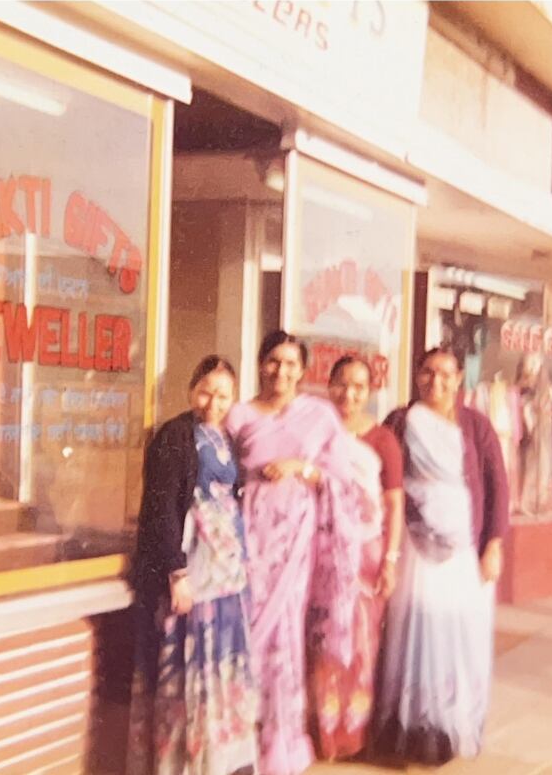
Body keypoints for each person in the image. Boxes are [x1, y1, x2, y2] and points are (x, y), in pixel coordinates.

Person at [225, 331, 363, 775]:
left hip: (294, 548)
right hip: (246, 543)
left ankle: (278, 750)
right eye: (272, 361)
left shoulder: (319, 417)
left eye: (289, 364)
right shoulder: (238, 415)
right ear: (259, 363)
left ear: (303, 371)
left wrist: (301, 469)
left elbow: (344, 482)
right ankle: (237, 747)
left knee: (283, 642)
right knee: (243, 638)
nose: (279, 371)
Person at [371, 346, 509, 765]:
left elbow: (498, 485)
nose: (437, 381)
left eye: (446, 374)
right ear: (417, 376)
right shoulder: (400, 420)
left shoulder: (476, 426)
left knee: (456, 635)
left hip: (463, 548)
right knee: (413, 631)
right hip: (414, 545)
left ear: (458, 379)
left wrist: (494, 545)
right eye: (428, 372)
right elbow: (377, 472)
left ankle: (448, 725)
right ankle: (410, 726)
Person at [127, 356, 258, 775]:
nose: (212, 403)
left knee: (221, 663)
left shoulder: (227, 437)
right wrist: (175, 573)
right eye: (205, 391)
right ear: (190, 389)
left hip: (227, 574)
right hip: (193, 569)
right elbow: (161, 508)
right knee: (187, 666)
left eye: (223, 395)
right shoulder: (175, 435)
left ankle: (220, 760)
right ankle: (183, 762)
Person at [307, 356, 405, 760]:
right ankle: (322, 735)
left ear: (370, 391)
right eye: (342, 384)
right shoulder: (316, 434)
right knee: (323, 644)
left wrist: (391, 560)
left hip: (367, 553)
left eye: (359, 387)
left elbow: (394, 503)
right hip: (324, 553)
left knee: (363, 647)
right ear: (329, 385)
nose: (349, 394)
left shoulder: (382, 439)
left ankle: (354, 737)